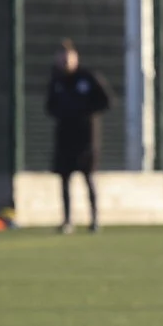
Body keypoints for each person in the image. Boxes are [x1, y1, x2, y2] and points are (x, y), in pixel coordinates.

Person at [47, 40, 112, 233]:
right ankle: (67, 220)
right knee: (65, 180)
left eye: (68, 57)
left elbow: (106, 101)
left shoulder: (88, 78)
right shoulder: (56, 81)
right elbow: (49, 106)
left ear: (76, 58)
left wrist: (85, 113)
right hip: (64, 138)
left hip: (86, 139)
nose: (65, 61)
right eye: (62, 58)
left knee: (89, 178)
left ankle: (94, 219)